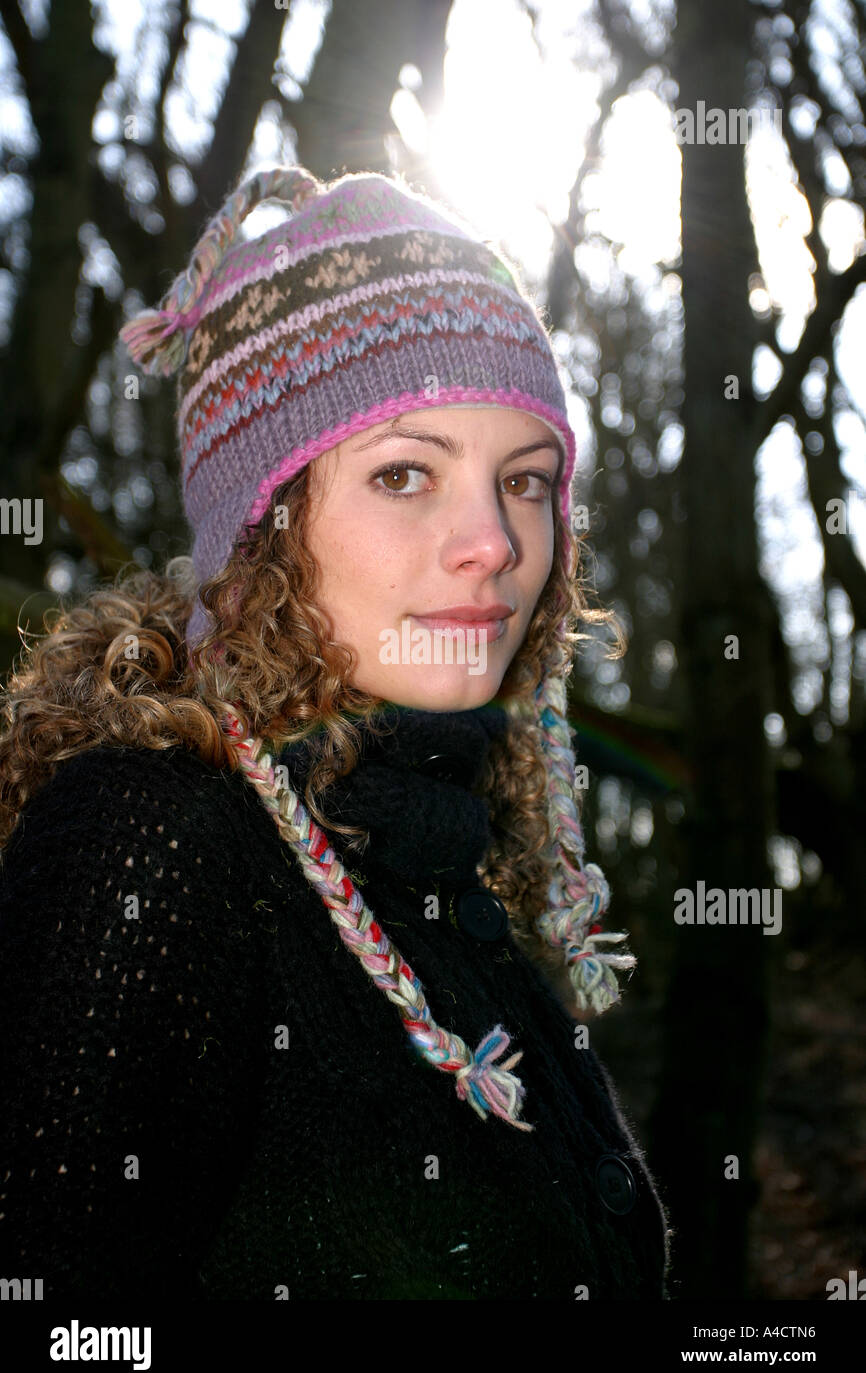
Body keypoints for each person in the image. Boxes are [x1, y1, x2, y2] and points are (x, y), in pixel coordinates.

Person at [0, 165, 671, 1300]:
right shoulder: (151, 846)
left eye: (526, 480)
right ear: (260, 526)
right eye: (406, 472)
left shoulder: (444, 859)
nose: (493, 542)